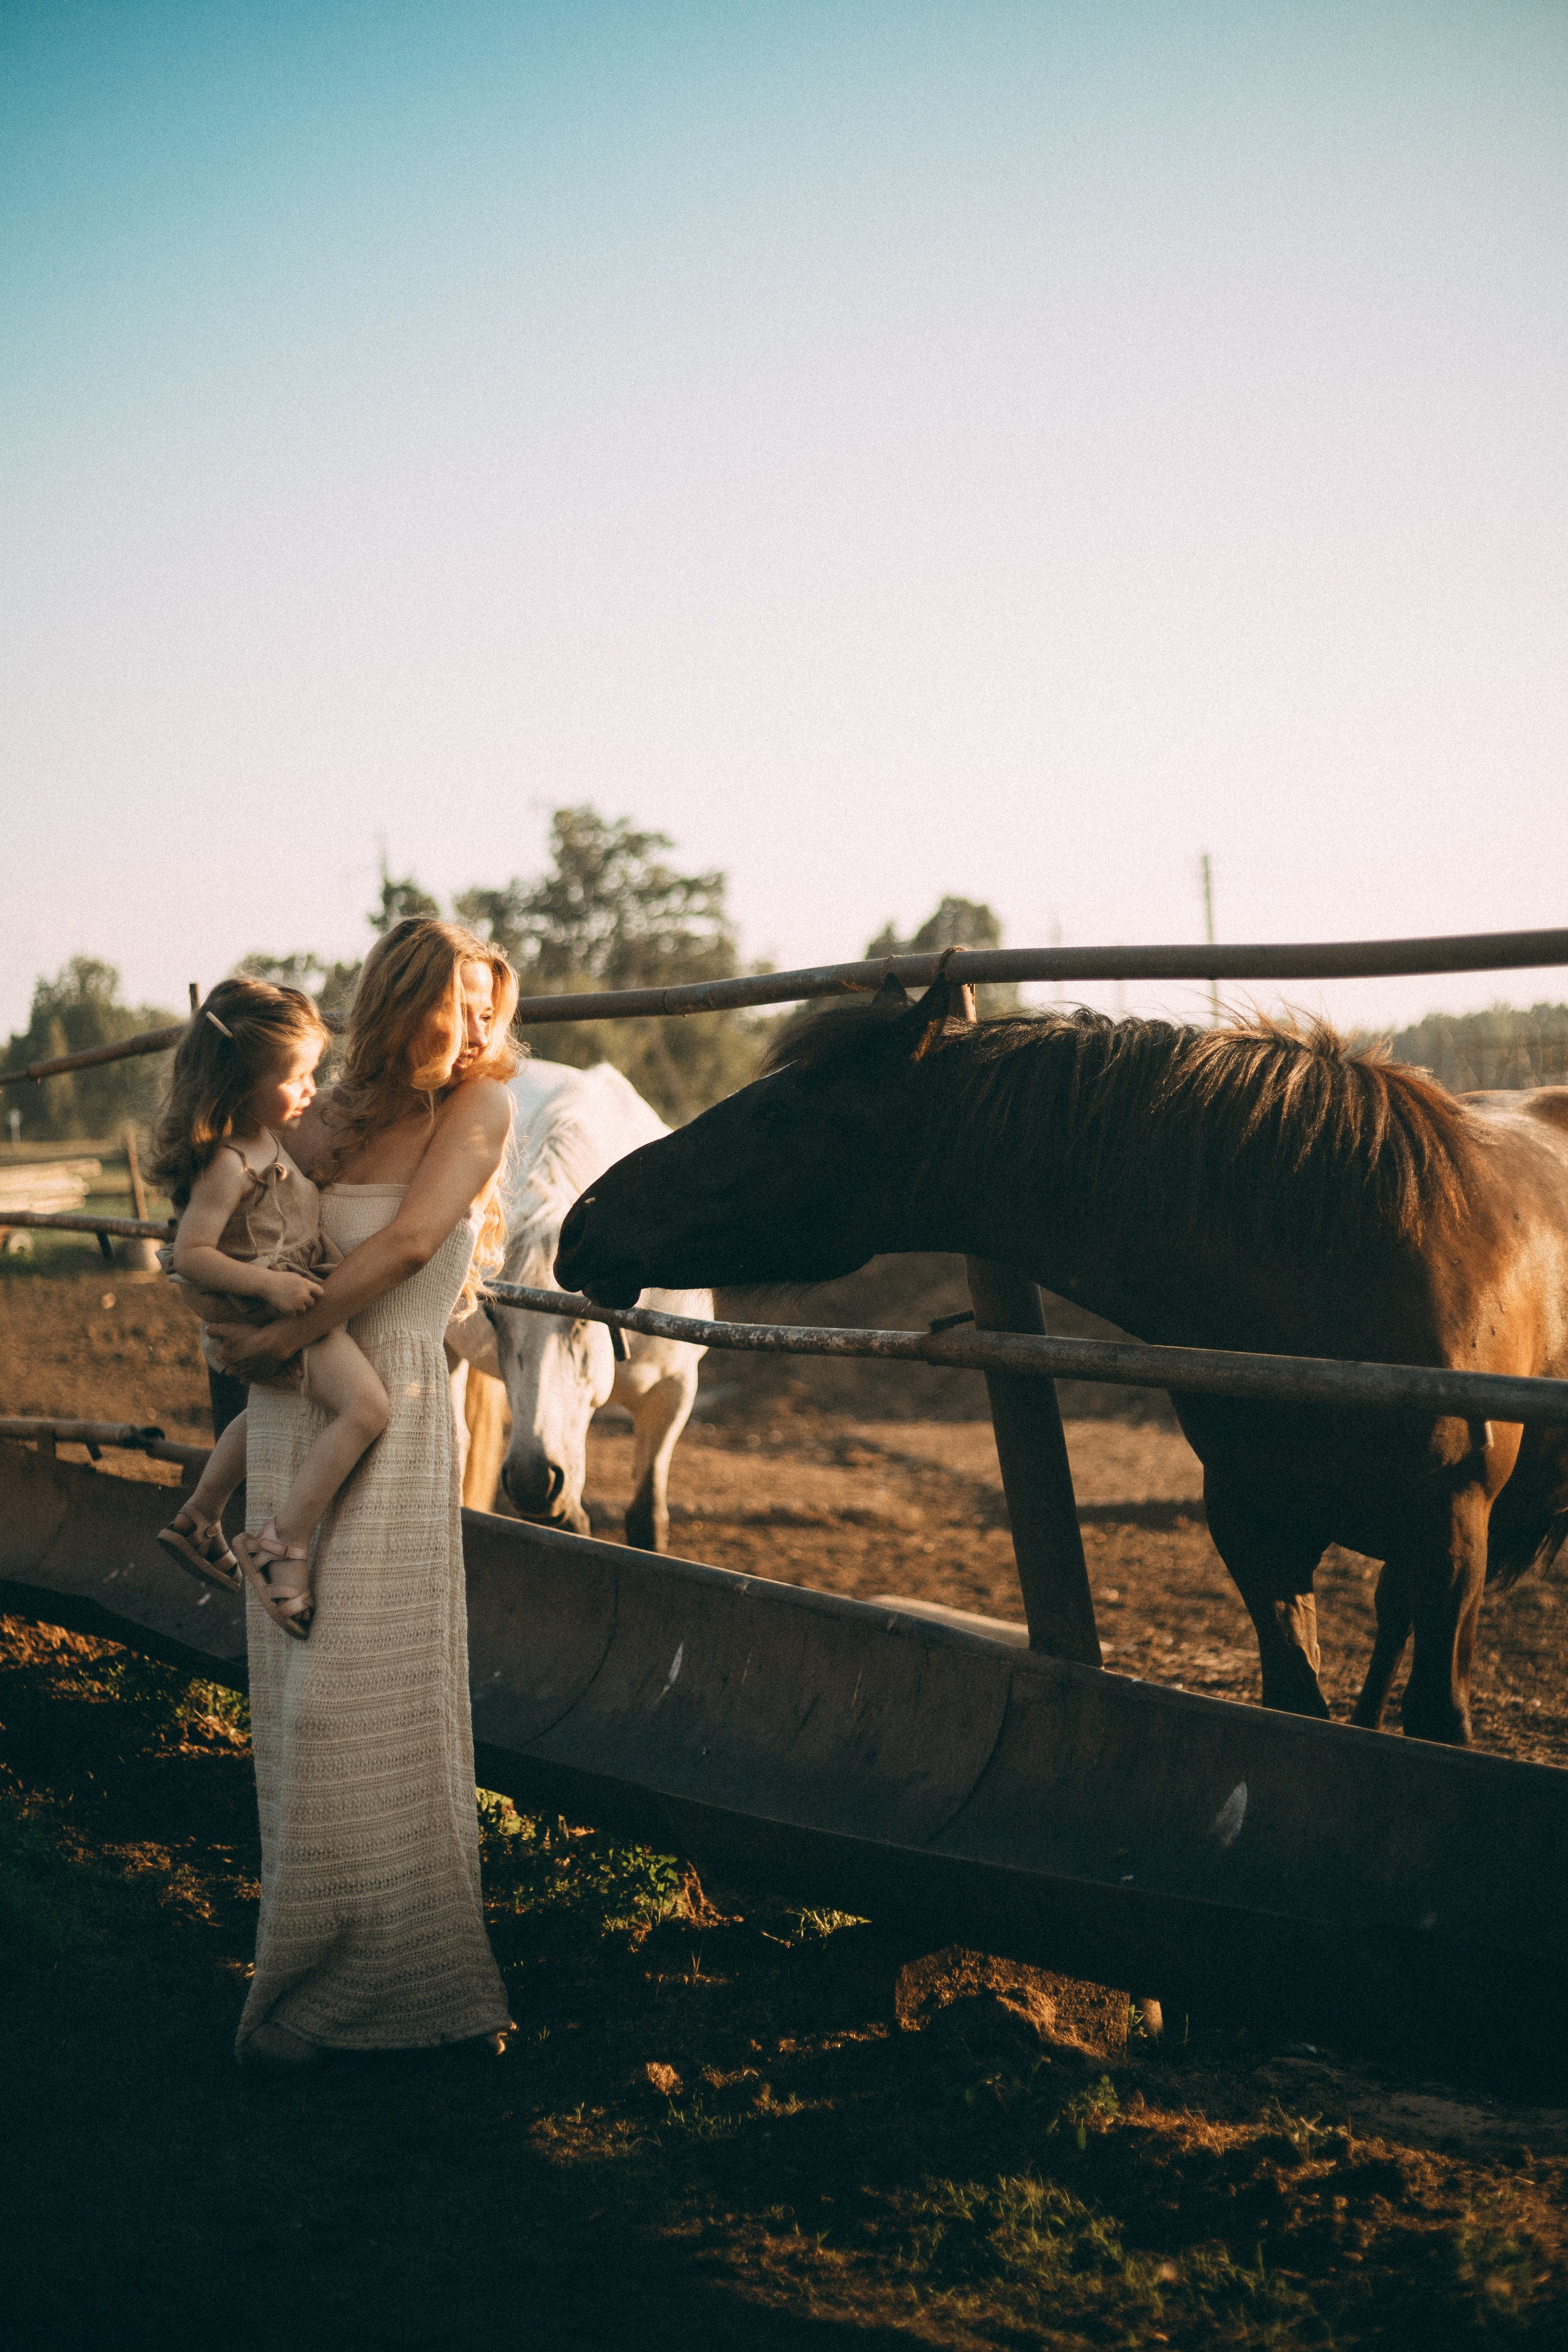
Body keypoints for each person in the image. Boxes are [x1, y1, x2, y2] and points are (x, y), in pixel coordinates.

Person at [206, 918, 520, 2067]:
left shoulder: (477, 1110)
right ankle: (306, 1978)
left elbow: (405, 1250)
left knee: (363, 1701)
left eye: (493, 1007)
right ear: (401, 1002)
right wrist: (243, 1320)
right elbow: (244, 1216)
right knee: (294, 1715)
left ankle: (404, 1987)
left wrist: (280, 1334)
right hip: (300, 1419)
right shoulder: (324, 1115)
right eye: (458, 1006)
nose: (481, 1029)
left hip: (385, 1421)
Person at [148, 978, 389, 1637]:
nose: (311, 1089)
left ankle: (200, 1515)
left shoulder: (268, 1144)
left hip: (276, 1307)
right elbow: (191, 1253)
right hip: (268, 1315)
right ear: (240, 1083)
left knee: (266, 1412)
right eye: (296, 1077)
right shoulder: (230, 1161)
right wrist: (271, 1288)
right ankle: (282, 1540)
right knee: (367, 1410)